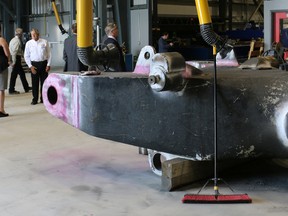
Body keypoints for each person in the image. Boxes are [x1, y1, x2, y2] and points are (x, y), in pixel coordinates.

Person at [24, 28, 51, 105]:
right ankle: (34, 99)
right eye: (32, 35)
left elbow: (49, 54)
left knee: (44, 83)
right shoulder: (28, 44)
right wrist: (30, 66)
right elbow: (26, 56)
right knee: (34, 83)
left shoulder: (44, 42)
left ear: (38, 34)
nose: (33, 36)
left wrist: (48, 64)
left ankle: (43, 98)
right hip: (34, 65)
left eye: (35, 34)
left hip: (43, 64)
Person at [9, 28, 32, 94]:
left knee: (22, 74)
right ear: (21, 34)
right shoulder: (16, 41)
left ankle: (26, 87)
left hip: (17, 58)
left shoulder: (13, 40)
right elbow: (14, 52)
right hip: (16, 59)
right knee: (14, 75)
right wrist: (13, 61)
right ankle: (11, 89)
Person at [0, 26, 11, 117]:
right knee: (1, 89)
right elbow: (7, 53)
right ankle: (1, 109)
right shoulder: (1, 40)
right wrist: (9, 60)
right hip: (1, 66)